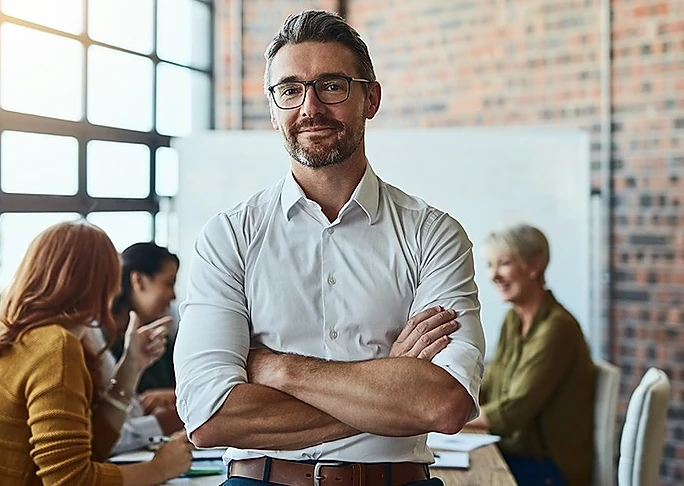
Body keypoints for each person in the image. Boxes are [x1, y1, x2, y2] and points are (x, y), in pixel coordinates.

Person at [174, 10, 485, 486]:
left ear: (371, 98)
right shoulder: (229, 236)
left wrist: (277, 369)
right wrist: (389, 381)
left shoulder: (433, 234)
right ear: (274, 106)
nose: (310, 107)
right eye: (290, 90)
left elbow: (442, 404)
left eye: (332, 86)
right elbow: (209, 416)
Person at [0, 221, 192, 485]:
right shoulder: (56, 346)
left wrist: (131, 365)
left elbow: (89, 450)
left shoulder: (25, 334)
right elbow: (70, 480)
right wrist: (159, 469)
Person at [468, 224, 595, 486]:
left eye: (504, 263)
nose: (493, 276)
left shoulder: (557, 328)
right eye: (490, 265)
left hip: (548, 469)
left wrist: (449, 418)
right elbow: (489, 387)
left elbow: (513, 412)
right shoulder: (513, 321)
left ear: (535, 264)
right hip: (516, 454)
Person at [108, 242, 183, 439]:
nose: (173, 296)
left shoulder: (161, 338)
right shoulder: (101, 343)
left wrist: (172, 395)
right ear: (139, 281)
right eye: (168, 283)